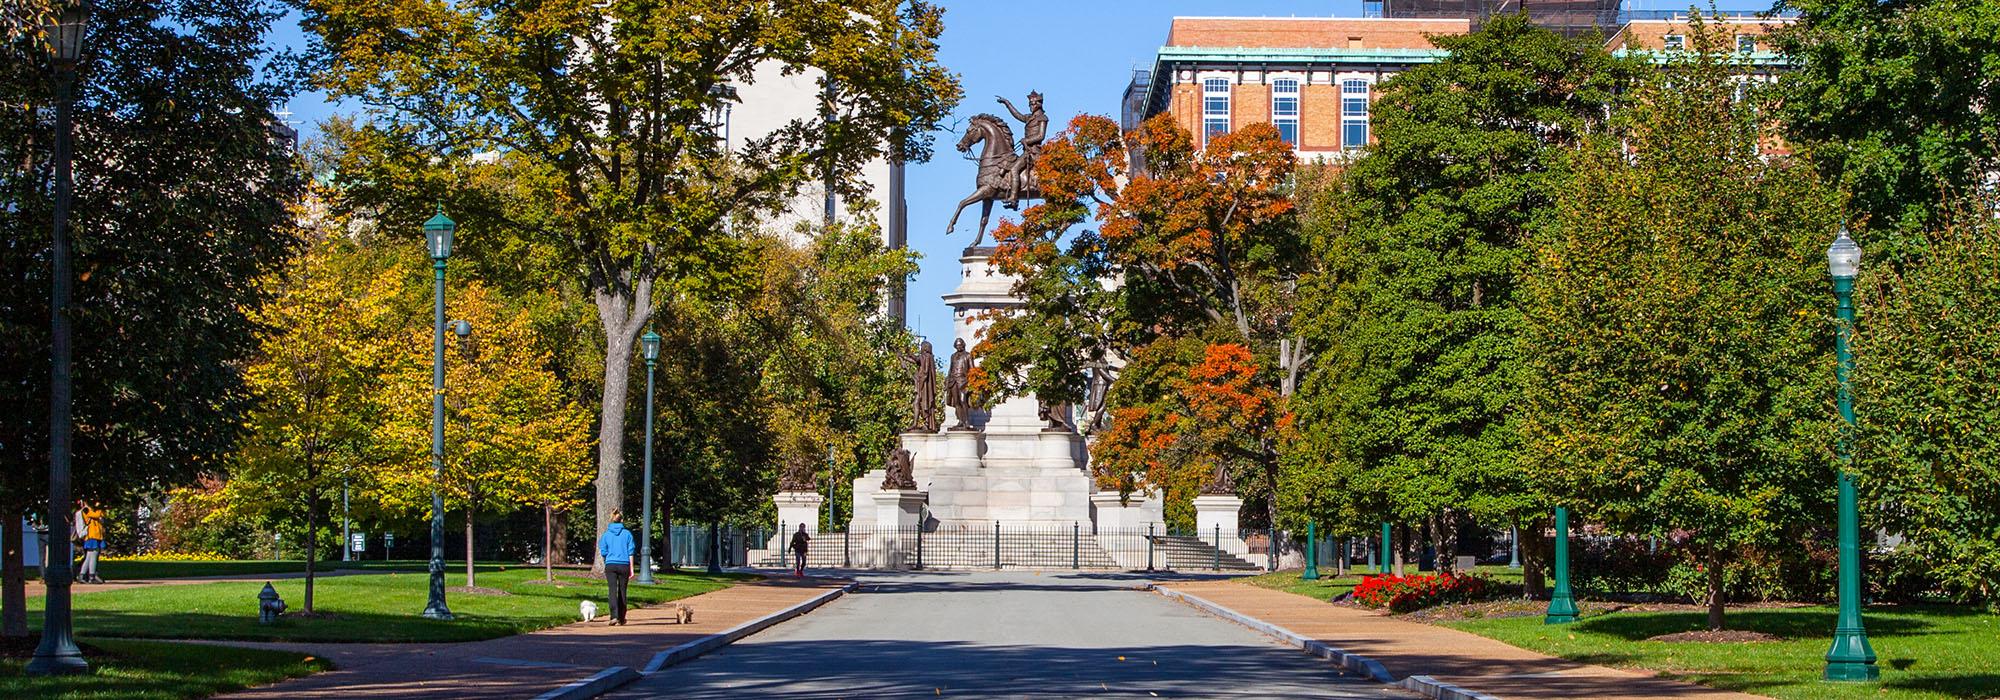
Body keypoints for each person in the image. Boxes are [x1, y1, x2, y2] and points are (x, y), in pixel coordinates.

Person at [597, 509, 635, 625]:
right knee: (622, 591)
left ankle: (613, 615)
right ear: (621, 520)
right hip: (624, 565)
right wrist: (631, 569)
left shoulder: (606, 535)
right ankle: (621, 617)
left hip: (611, 564)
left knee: (612, 590)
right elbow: (631, 552)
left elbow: (603, 551)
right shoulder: (627, 534)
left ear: (611, 519)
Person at [76, 500, 105, 584]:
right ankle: (91, 576)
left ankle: (82, 575)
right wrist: (100, 508)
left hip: (97, 535)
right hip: (91, 535)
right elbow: (96, 515)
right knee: (93, 555)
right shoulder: (86, 510)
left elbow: (102, 516)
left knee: (89, 556)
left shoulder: (93, 510)